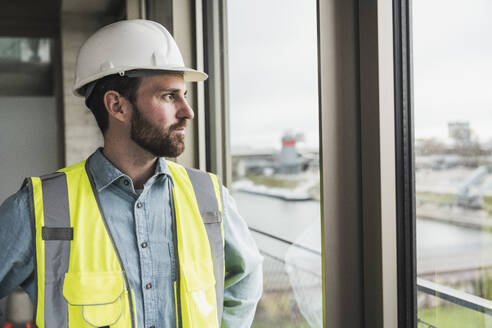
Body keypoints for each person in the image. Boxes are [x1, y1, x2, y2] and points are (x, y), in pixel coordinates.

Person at [0, 19, 263, 328]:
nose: (187, 111)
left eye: (185, 95)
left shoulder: (209, 197)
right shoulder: (40, 208)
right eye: (168, 96)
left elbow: (245, 278)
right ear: (117, 106)